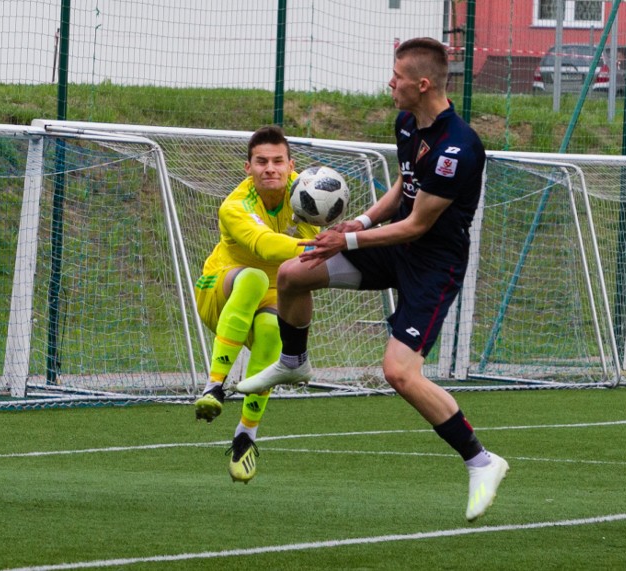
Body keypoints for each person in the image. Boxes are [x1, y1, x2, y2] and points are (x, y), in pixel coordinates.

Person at [236, 38, 508, 521]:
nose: (390, 83)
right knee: (293, 273)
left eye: (398, 75)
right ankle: (294, 362)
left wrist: (351, 242)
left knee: (400, 373)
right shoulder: (408, 123)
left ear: (422, 84)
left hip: (432, 265)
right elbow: (406, 184)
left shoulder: (458, 148)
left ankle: (481, 461)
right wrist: (358, 223)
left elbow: (419, 224)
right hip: (392, 245)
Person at [193, 125, 319, 483]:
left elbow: (313, 247)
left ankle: (245, 435)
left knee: (271, 330)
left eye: (278, 161)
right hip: (219, 291)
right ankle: (214, 385)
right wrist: (328, 246)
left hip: (269, 298)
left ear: (291, 164)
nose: (270, 168)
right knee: (255, 276)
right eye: (261, 161)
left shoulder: (308, 193)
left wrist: (326, 242)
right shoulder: (235, 205)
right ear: (247, 167)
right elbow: (266, 246)